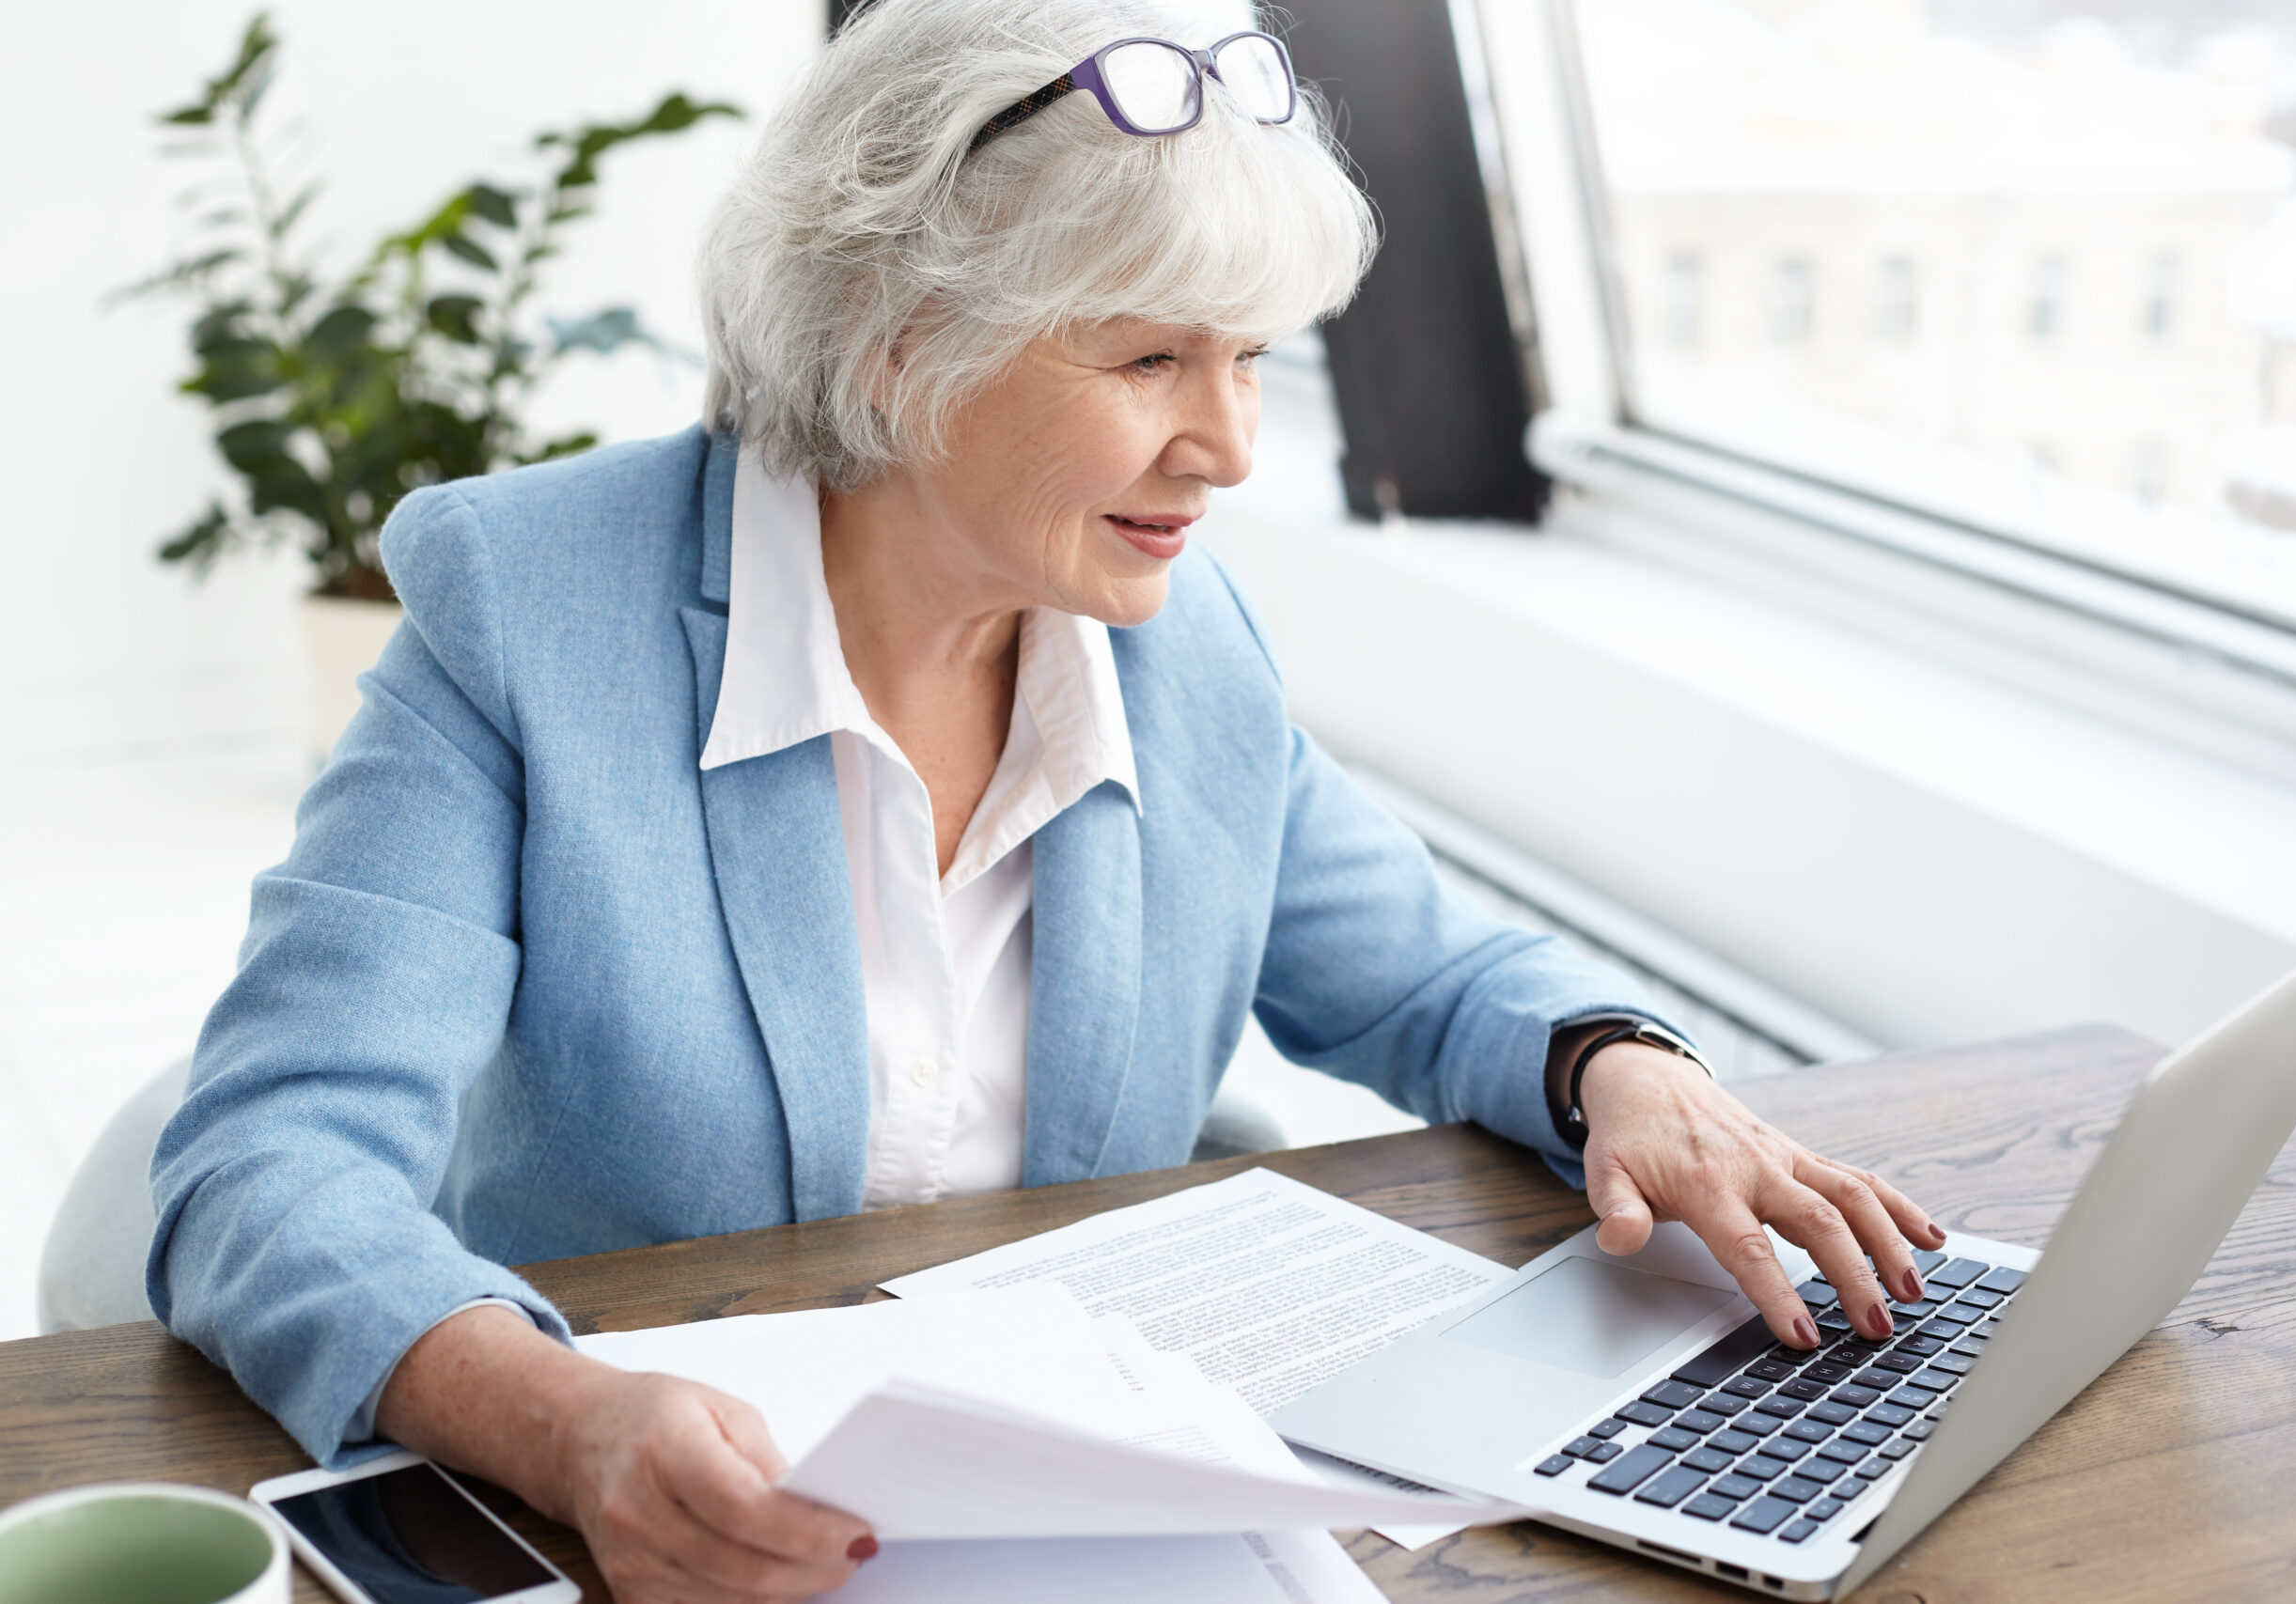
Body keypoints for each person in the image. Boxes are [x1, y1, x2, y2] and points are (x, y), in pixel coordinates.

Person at [148, 2, 1945, 1599]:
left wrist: (1626, 1064)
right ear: (897, 347)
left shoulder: (1174, 641)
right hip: (644, 1544)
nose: (1229, 447)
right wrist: (563, 1420)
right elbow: (266, 1163)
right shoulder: (526, 610)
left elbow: (1418, 973)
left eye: (1250, 357)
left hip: (1060, 1523)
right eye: (1152, 358)